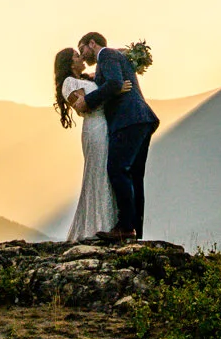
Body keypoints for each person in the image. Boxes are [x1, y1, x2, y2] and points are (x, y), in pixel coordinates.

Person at [78, 31, 158, 240]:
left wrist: (88, 101)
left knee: (117, 169)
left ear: (92, 43)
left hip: (127, 120)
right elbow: (110, 81)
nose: (83, 56)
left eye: (82, 49)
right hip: (141, 120)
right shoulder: (112, 58)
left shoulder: (106, 55)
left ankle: (124, 226)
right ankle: (134, 230)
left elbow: (114, 83)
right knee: (134, 176)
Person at [54, 46, 116, 242]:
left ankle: (108, 224)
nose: (81, 58)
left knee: (106, 171)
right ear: (70, 62)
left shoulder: (86, 79)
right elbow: (83, 105)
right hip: (94, 128)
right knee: (98, 172)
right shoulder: (68, 83)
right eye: (76, 56)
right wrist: (112, 89)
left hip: (105, 125)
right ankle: (98, 226)